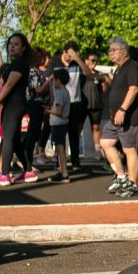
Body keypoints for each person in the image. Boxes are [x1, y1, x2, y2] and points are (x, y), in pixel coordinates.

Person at [0, 33, 35, 186]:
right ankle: (28, 171)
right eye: (10, 44)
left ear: (23, 47)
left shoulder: (20, 63)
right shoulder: (15, 63)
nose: (12, 47)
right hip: (13, 104)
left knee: (7, 138)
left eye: (16, 44)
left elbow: (9, 85)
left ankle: (4, 174)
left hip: (14, 105)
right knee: (15, 140)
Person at [100, 36, 138, 198]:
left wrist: (122, 109)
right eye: (109, 50)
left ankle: (133, 184)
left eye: (114, 50)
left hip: (130, 117)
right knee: (105, 142)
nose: (110, 53)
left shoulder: (132, 66)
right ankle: (121, 177)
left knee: (129, 149)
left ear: (124, 52)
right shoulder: (119, 68)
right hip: (116, 118)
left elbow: (133, 89)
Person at [57, 41, 94, 170]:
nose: (71, 56)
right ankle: (60, 160)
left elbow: (88, 74)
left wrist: (77, 58)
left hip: (75, 103)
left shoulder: (77, 64)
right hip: (61, 103)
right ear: (64, 52)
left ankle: (75, 160)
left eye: (74, 53)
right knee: (60, 133)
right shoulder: (57, 63)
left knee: (74, 133)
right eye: (70, 53)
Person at [23, 47, 50, 173]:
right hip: (34, 104)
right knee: (33, 134)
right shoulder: (33, 71)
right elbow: (37, 89)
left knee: (34, 133)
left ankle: (26, 161)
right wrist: (49, 80)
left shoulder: (36, 71)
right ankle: (27, 164)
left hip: (39, 105)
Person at [47, 68, 71, 184]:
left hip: (58, 124)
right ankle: (62, 171)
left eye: (54, 80)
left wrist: (48, 111)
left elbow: (58, 111)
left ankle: (64, 173)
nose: (53, 82)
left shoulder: (60, 94)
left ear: (58, 80)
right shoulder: (65, 92)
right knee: (59, 148)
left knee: (60, 148)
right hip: (62, 123)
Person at [81, 51, 105, 159]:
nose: (95, 62)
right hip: (83, 105)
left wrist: (104, 83)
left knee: (96, 127)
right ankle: (74, 152)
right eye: (92, 60)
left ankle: (97, 150)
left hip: (96, 104)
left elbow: (103, 89)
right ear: (86, 61)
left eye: (96, 60)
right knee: (79, 127)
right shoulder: (81, 73)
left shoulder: (99, 74)